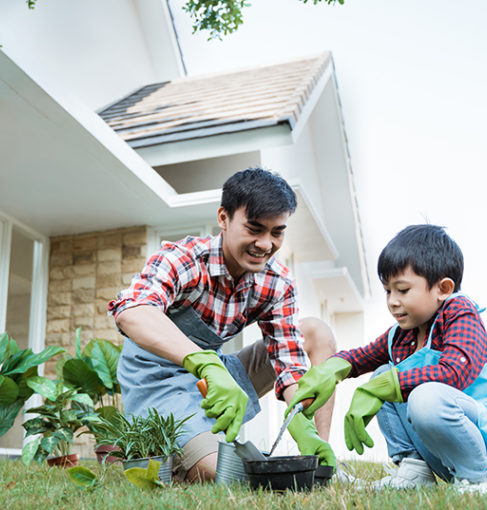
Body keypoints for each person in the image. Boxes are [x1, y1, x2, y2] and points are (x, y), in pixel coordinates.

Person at [108, 168, 337, 482]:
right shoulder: (184, 259)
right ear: (224, 218)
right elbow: (131, 311)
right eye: (254, 228)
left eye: (276, 232)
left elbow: (288, 361)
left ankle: (321, 463)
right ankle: (184, 452)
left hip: (219, 377)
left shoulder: (276, 282)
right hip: (159, 383)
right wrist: (204, 364)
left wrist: (302, 423)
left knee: (316, 332)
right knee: (222, 474)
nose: (265, 244)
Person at [287, 224, 487, 492]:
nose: (392, 301)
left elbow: (453, 372)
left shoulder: (460, 313)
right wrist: (330, 371)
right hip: (447, 456)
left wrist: (381, 389)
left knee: (416, 392)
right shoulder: (402, 335)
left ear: (443, 288)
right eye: (387, 291)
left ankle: (479, 479)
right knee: (382, 373)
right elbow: (359, 357)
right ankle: (415, 471)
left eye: (402, 290)